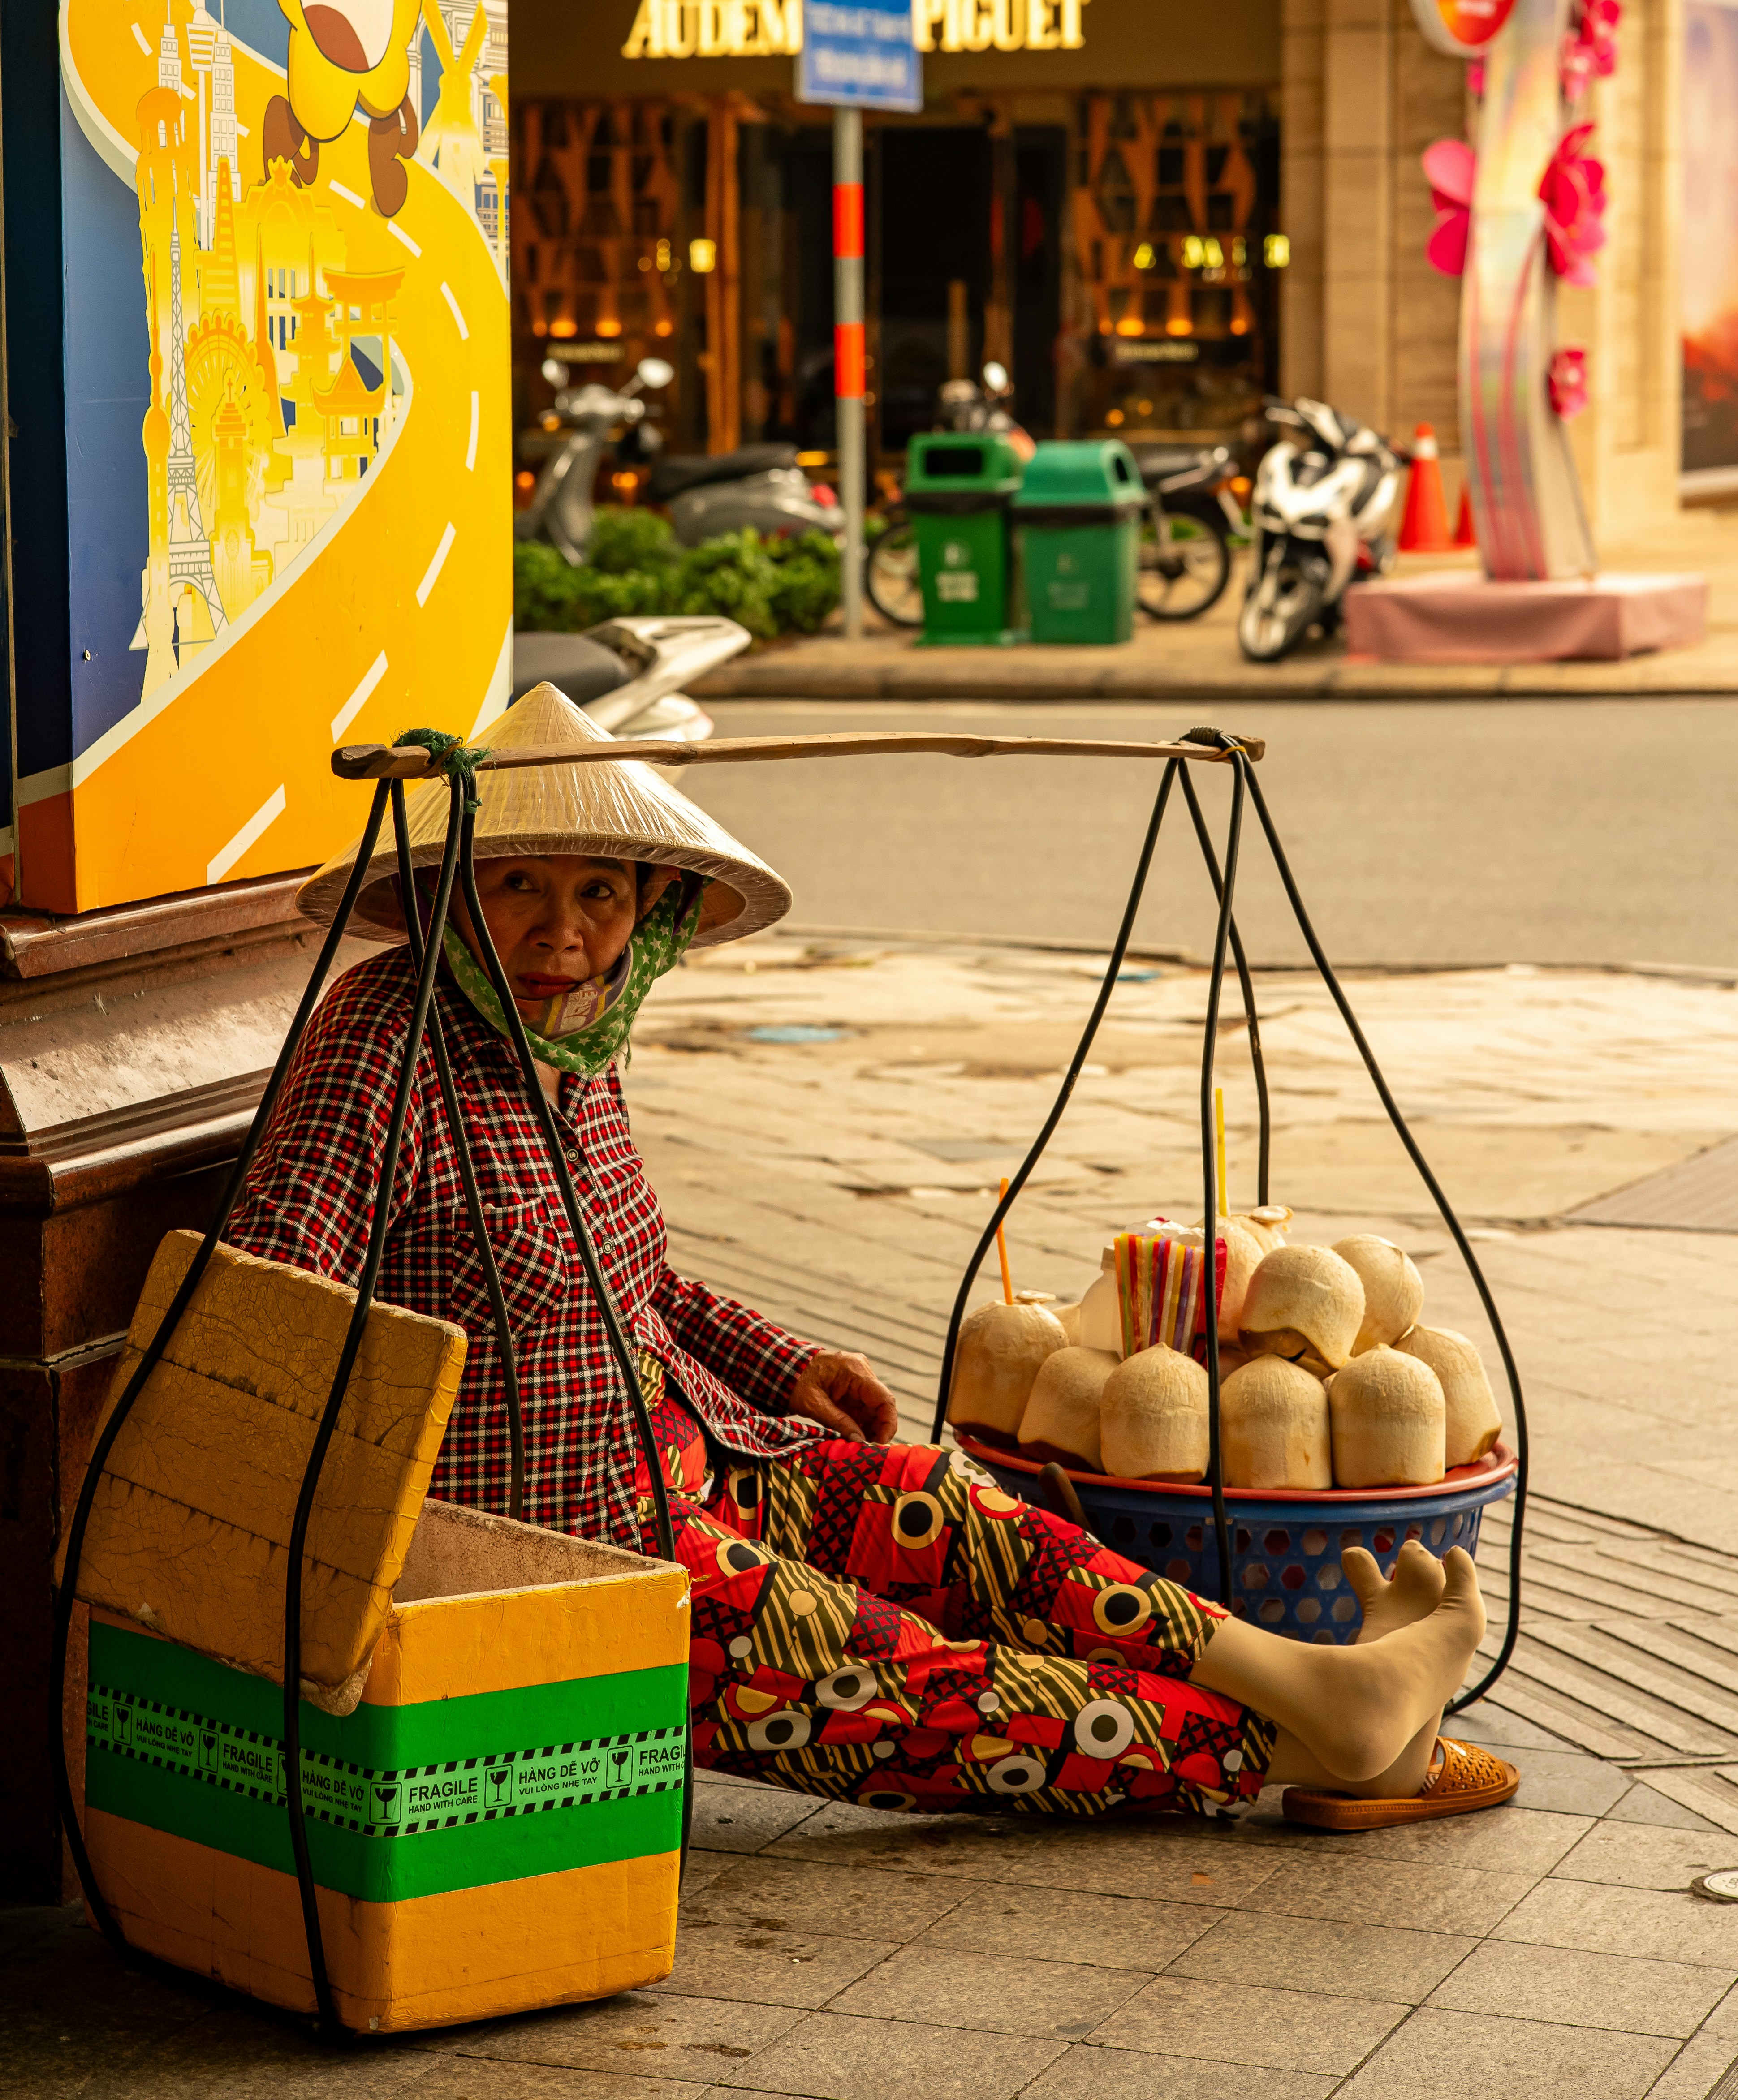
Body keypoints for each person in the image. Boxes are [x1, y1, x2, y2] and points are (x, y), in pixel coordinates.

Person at [228, 683, 1515, 1832]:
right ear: (458, 889)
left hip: (703, 1455)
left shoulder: (577, 1042)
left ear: (645, 915)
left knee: (940, 1499)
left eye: (600, 892)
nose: (564, 931)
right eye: (523, 886)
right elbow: (276, 1305)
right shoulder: (382, 1041)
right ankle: (1326, 1741)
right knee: (897, 1673)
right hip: (568, 1554)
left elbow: (637, 1283)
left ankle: (1307, 1682)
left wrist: (784, 1364)